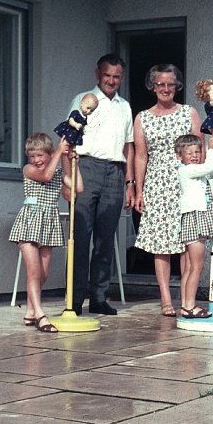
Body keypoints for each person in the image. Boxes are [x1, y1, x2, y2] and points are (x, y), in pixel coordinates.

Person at [61, 54, 135, 316]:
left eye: (116, 77)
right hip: (85, 168)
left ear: (121, 78)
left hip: (114, 172)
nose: (111, 81)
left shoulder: (124, 107)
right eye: (107, 75)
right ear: (97, 74)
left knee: (105, 240)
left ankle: (99, 297)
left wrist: (130, 182)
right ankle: (74, 301)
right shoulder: (83, 100)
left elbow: (128, 146)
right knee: (80, 237)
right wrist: (68, 178)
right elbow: (67, 141)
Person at [133, 64, 204, 316]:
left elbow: (201, 149)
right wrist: (139, 191)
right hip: (157, 185)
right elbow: (140, 156)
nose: (166, 89)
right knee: (160, 243)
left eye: (170, 84)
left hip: (186, 184)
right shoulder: (142, 117)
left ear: (177, 86)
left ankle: (186, 298)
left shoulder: (188, 112)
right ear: (152, 86)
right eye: (160, 84)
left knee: (186, 242)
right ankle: (165, 299)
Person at [9, 132, 78, 332]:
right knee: (34, 272)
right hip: (30, 221)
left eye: (40, 155)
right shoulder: (29, 169)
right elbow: (45, 176)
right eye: (32, 156)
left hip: (48, 224)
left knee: (44, 274)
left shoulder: (58, 173)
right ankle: (40, 315)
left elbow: (77, 187)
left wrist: (68, 158)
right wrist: (58, 152)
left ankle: (30, 312)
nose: (36, 160)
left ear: (49, 154)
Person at [175, 132, 213, 318]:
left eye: (197, 152)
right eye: (189, 153)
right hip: (194, 218)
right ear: (180, 156)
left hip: (198, 217)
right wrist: (211, 149)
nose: (194, 156)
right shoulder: (186, 171)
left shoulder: (197, 170)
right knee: (197, 266)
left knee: (190, 267)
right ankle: (189, 306)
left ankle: (186, 305)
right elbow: (209, 166)